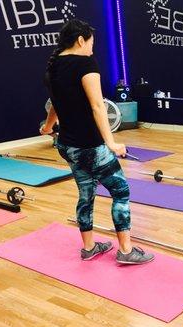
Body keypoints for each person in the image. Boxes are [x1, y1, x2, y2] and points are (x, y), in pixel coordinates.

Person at [40, 19, 154, 265]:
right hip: (90, 146)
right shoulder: (85, 63)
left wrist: (48, 127)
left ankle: (89, 247)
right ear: (81, 40)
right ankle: (125, 251)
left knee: (86, 193)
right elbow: (97, 105)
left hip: (67, 146)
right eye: (91, 43)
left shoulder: (53, 67)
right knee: (121, 191)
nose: (93, 49)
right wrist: (111, 143)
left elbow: (54, 104)